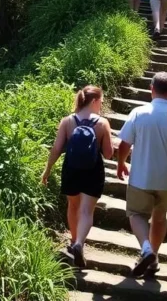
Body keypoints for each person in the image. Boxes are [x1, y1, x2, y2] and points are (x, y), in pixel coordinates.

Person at [116, 72, 167, 277]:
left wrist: (121, 163)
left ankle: (146, 249)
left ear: (151, 89)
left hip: (141, 177)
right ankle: (154, 259)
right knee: (160, 217)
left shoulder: (138, 113)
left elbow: (125, 144)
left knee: (136, 214)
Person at [41, 85, 114, 269]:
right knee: (87, 211)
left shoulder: (67, 121)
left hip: (71, 169)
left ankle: (74, 241)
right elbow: (108, 154)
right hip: (93, 170)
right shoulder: (102, 123)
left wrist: (47, 170)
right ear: (94, 101)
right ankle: (79, 243)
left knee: (73, 206)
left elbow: (57, 149)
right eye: (101, 102)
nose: (101, 105)